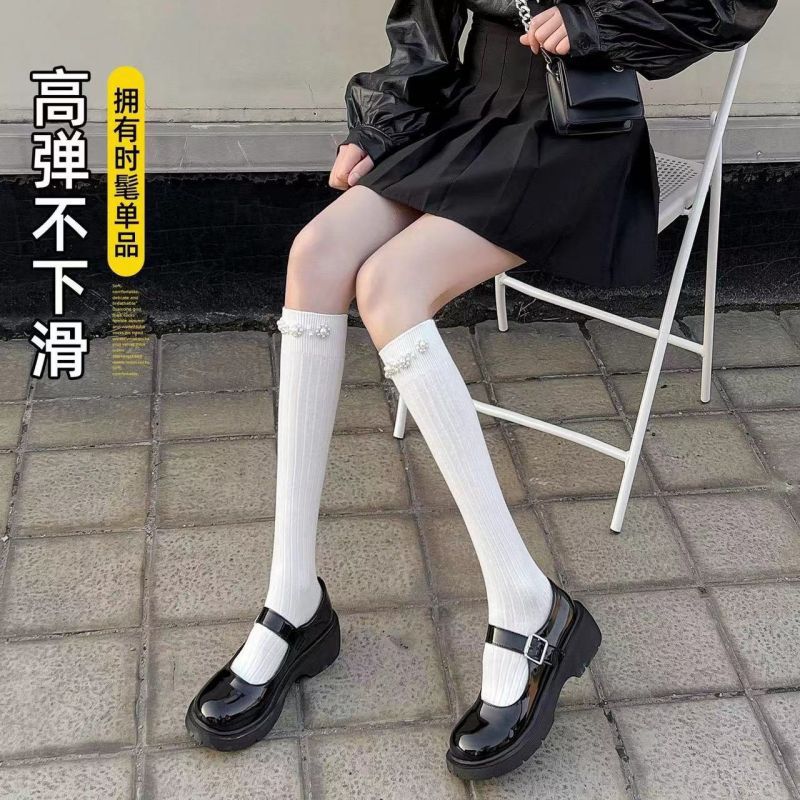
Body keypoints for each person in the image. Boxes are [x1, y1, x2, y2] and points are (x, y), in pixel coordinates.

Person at [185, 0, 778, 780]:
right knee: (315, 255)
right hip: (466, 109)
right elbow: (425, 24)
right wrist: (380, 125)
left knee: (389, 286)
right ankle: (293, 600)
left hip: (574, 125)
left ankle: (528, 602)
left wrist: (594, 21)